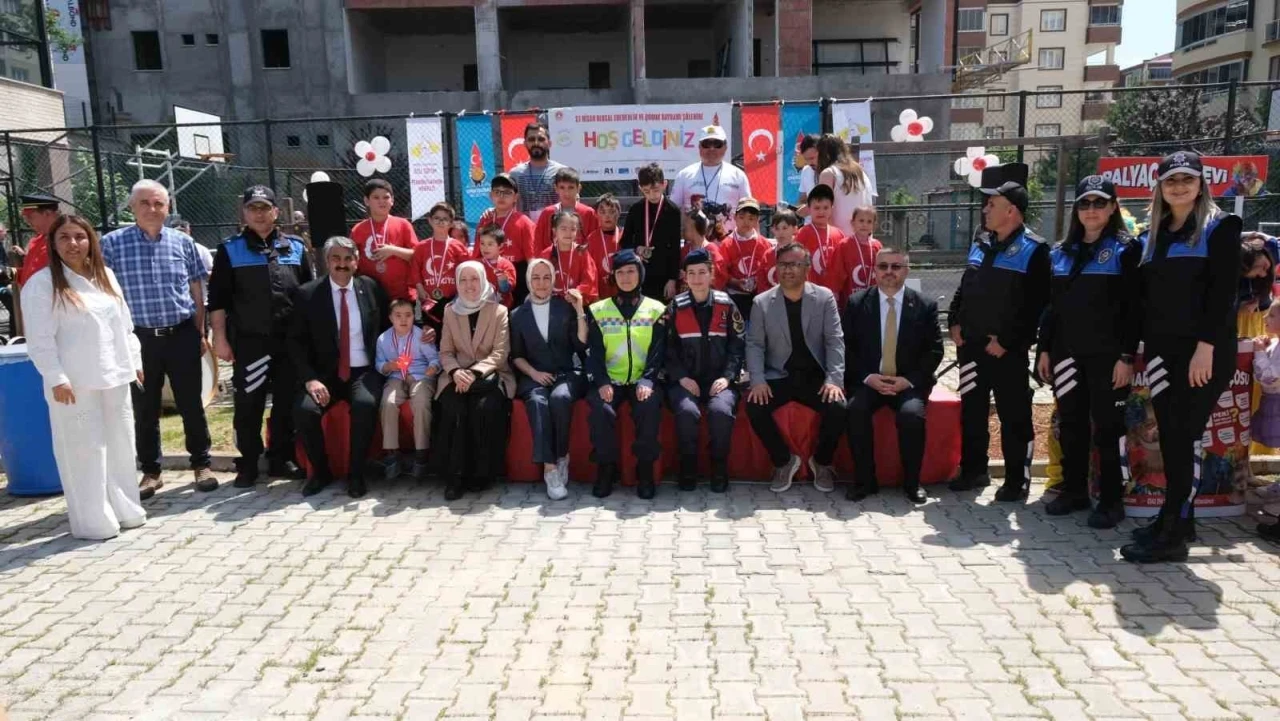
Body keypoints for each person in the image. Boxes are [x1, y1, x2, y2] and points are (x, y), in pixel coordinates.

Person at [1121, 151, 1242, 563]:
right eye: (1171, 180)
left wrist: (1205, 348)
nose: (1179, 186)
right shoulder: (1153, 235)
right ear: (1159, 186)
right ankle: (1176, 520)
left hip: (1202, 354)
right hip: (1162, 353)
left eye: (1187, 179)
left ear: (1201, 183)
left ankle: (1172, 534)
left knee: (1182, 437)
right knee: (1171, 437)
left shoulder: (1220, 227)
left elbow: (1224, 295)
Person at [23, 215, 146, 540]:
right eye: (64, 237)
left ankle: (126, 509)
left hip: (115, 376)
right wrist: (55, 377)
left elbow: (125, 325)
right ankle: (94, 521)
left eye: (79, 236)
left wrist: (134, 361)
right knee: (84, 451)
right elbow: (39, 339)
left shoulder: (106, 276)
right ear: (53, 244)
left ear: (91, 240)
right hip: (74, 383)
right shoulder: (42, 284)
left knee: (121, 445)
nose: (73, 244)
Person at [1034, 176, 1140, 529]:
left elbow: (1134, 310)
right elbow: (1052, 307)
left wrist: (1126, 357)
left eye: (1099, 203)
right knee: (1072, 425)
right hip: (1066, 355)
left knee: (1108, 429)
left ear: (1113, 207)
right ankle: (1074, 490)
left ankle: (1111, 500)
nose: (1091, 210)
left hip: (1108, 358)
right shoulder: (1060, 252)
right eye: (1084, 203)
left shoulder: (1127, 250)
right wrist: (1044, 349)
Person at [101, 180, 215, 498]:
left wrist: (200, 332)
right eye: (144, 203)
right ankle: (151, 471)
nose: (152, 209)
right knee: (145, 408)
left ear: (167, 207)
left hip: (181, 335)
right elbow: (104, 293)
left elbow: (197, 291)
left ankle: (202, 464)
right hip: (138, 340)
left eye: (158, 203)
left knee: (191, 404)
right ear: (132, 207)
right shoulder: (111, 244)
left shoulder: (184, 243)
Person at [947, 163, 1050, 502]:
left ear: (1012, 211)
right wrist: (954, 322)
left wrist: (1007, 341)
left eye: (992, 204)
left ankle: (1017, 480)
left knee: (1014, 415)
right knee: (972, 410)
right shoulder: (981, 241)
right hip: (971, 347)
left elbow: (1037, 306)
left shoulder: (1035, 249)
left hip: (1007, 352)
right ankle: (974, 470)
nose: (985, 209)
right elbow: (965, 286)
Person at [209, 185, 315, 488]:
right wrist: (220, 338)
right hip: (251, 342)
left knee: (286, 402)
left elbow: (308, 293)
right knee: (249, 403)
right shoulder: (230, 250)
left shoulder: (296, 247)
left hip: (289, 343)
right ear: (244, 212)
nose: (259, 214)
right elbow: (217, 300)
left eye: (265, 208)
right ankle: (249, 463)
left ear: (276, 212)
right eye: (253, 208)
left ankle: (280, 458)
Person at [290, 237, 389, 498]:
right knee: (305, 410)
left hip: (363, 370)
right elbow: (296, 342)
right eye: (336, 258)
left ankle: (356, 474)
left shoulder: (370, 288)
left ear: (357, 262)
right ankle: (320, 472)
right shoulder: (308, 294)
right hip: (324, 375)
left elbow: (388, 327)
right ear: (326, 261)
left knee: (365, 405)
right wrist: (310, 379)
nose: (342, 264)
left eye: (348, 258)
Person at [745, 242, 847, 494]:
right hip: (779, 375)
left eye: (794, 264)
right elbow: (755, 344)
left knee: (838, 408)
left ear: (807, 268)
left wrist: (834, 379)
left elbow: (834, 340)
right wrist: (758, 379)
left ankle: (821, 462)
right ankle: (784, 461)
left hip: (815, 377)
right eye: (783, 264)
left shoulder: (824, 298)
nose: (788, 270)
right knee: (754, 406)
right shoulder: (762, 302)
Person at [843, 248, 942, 505]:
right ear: (874, 271)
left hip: (907, 382)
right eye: (883, 266)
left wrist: (907, 381)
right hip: (870, 381)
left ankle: (912, 483)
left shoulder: (925, 306)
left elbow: (934, 351)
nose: (889, 272)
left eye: (895, 267)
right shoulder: (856, 303)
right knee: (855, 411)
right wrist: (868, 378)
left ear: (906, 271)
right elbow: (846, 349)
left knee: (911, 415)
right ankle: (865, 481)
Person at [585, 249, 668, 499]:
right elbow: (594, 352)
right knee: (601, 411)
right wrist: (602, 382)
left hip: (643, 380)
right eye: (620, 272)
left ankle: (645, 471)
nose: (626, 277)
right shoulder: (598, 310)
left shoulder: (656, 309)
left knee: (648, 408)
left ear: (640, 274)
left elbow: (658, 351)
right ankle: (606, 470)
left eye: (631, 271)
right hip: (610, 380)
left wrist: (648, 380)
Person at [666, 248, 745, 492]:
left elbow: (737, 345)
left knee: (721, 412)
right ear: (685, 277)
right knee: (687, 412)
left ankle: (718, 468)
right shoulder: (675, 307)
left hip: (719, 380)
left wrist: (728, 377)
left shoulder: (726, 304)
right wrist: (681, 377)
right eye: (692, 273)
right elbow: (667, 349)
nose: (697, 278)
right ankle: (688, 468)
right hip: (685, 381)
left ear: (712, 274)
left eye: (702, 272)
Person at [510, 258, 589, 500]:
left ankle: (562, 456)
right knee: (537, 402)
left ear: (553, 280)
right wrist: (534, 374)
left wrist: (579, 309)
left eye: (546, 277)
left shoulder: (564, 308)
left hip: (565, 373)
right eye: (536, 278)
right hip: (533, 375)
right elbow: (516, 355)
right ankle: (550, 468)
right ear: (528, 281)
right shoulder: (517, 315)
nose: (541, 283)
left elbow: (581, 343)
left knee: (560, 398)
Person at [436, 261, 515, 500]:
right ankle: (454, 477)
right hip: (457, 376)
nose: (469, 285)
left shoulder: (498, 311)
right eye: (463, 279)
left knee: (483, 409)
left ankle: (482, 474)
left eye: (474, 279)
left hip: (489, 376)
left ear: (483, 280)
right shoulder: (450, 311)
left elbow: (500, 353)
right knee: (455, 409)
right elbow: (446, 352)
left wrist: (474, 373)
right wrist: (455, 372)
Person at [375, 298, 440, 481]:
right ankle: (392, 453)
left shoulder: (421, 335)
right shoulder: (383, 339)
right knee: (388, 402)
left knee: (420, 401)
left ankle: (421, 453)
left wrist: (433, 367)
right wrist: (388, 366)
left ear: (414, 316)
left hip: (420, 376)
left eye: (408, 315)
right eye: (398, 316)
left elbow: (435, 358)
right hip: (396, 377)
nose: (403, 320)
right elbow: (378, 363)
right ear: (390, 318)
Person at [669, 125, 752, 233]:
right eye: (706, 144)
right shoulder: (684, 175)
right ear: (699, 147)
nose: (711, 148)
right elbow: (672, 212)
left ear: (725, 147)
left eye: (717, 144)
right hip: (694, 241)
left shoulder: (738, 176)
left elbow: (750, 212)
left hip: (729, 241)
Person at [620, 163, 682, 300]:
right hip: (639, 273)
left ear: (664, 184)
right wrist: (636, 249)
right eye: (646, 191)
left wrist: (672, 279)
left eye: (655, 190)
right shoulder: (636, 209)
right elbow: (625, 241)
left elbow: (675, 248)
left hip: (663, 274)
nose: (652, 195)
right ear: (640, 188)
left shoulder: (673, 211)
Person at [353, 178, 419, 302]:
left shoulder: (403, 225)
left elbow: (417, 255)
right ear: (366, 201)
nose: (381, 201)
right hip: (371, 296)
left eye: (386, 197)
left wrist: (393, 250)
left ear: (392, 200)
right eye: (376, 197)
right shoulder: (358, 230)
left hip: (402, 296)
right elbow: (352, 261)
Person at [411, 202, 471, 334]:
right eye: (437, 218)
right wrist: (420, 289)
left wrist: (460, 294)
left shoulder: (457, 246)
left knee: (453, 335)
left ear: (451, 223)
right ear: (430, 220)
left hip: (452, 300)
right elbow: (415, 270)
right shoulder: (421, 247)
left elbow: (466, 271)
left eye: (445, 219)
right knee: (430, 335)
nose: (440, 222)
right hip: (428, 300)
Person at [476, 173, 537, 303]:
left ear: (516, 197)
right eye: (497, 192)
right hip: (488, 273)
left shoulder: (524, 222)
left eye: (507, 192)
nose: (501, 196)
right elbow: (476, 253)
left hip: (517, 275)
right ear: (491, 195)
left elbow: (531, 258)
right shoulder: (485, 220)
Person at [719, 198, 776, 319]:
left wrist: (758, 281)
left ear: (757, 220)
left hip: (759, 297)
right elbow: (722, 273)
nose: (746, 222)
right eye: (742, 217)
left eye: (751, 218)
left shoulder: (764, 244)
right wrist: (736, 282)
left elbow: (768, 272)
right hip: (734, 297)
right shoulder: (726, 244)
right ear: (735, 217)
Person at [815, 134, 875, 238]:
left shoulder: (828, 173)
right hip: (864, 239)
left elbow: (824, 210)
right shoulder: (860, 171)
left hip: (839, 239)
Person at [794, 184, 848, 299]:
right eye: (817, 208)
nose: (821, 212)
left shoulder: (839, 234)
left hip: (834, 293)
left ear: (831, 209)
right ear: (809, 209)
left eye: (825, 208)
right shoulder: (803, 233)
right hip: (809, 292)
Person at [509, 122, 566, 223]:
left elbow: (571, 202)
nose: (536, 143)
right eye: (531, 139)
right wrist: (492, 211)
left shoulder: (561, 172)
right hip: (525, 229)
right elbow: (506, 203)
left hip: (554, 228)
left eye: (541, 139)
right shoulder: (515, 174)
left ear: (549, 143)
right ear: (525, 143)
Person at [533, 167, 600, 254]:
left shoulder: (588, 213)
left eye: (571, 187)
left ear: (578, 188)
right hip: (552, 260)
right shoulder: (547, 213)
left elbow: (594, 243)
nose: (566, 192)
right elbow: (538, 243)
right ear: (556, 188)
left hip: (579, 259)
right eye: (562, 187)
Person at [537, 209, 598, 303]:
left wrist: (577, 292)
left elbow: (589, 280)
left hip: (577, 301)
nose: (568, 233)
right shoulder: (546, 254)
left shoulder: (582, 253)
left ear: (577, 231)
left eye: (573, 229)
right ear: (554, 231)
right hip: (552, 301)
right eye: (563, 229)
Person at [12, 193, 60, 287]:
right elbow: (29, 275)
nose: (27, 222)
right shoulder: (38, 240)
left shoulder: (64, 241)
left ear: (47, 213)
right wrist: (6, 273)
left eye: (30, 217)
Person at [839, 205, 883, 303]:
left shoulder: (877, 246)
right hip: (850, 298)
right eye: (861, 221)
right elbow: (838, 273)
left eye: (869, 222)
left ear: (874, 225)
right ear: (853, 223)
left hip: (872, 298)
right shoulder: (844, 245)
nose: (865, 225)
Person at [678, 209, 727, 291]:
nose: (683, 229)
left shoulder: (712, 252)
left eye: (686, 226)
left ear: (695, 229)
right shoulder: (684, 250)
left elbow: (719, 280)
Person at [586, 193, 622, 300]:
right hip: (599, 294)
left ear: (619, 213)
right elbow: (588, 270)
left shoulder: (625, 236)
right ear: (596, 214)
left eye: (612, 212)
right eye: (603, 212)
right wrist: (593, 294)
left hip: (622, 293)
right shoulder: (591, 239)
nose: (607, 216)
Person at [476, 226, 519, 308]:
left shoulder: (506, 265)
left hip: (501, 307)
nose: (485, 247)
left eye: (490, 244)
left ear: (500, 245)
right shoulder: (476, 264)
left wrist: (503, 281)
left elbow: (506, 290)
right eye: (482, 243)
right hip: (480, 306)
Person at [795, 133, 820, 219]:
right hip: (810, 223)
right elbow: (803, 199)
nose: (810, 163)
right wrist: (798, 208)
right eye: (806, 159)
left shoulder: (832, 171)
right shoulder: (806, 170)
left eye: (812, 158)